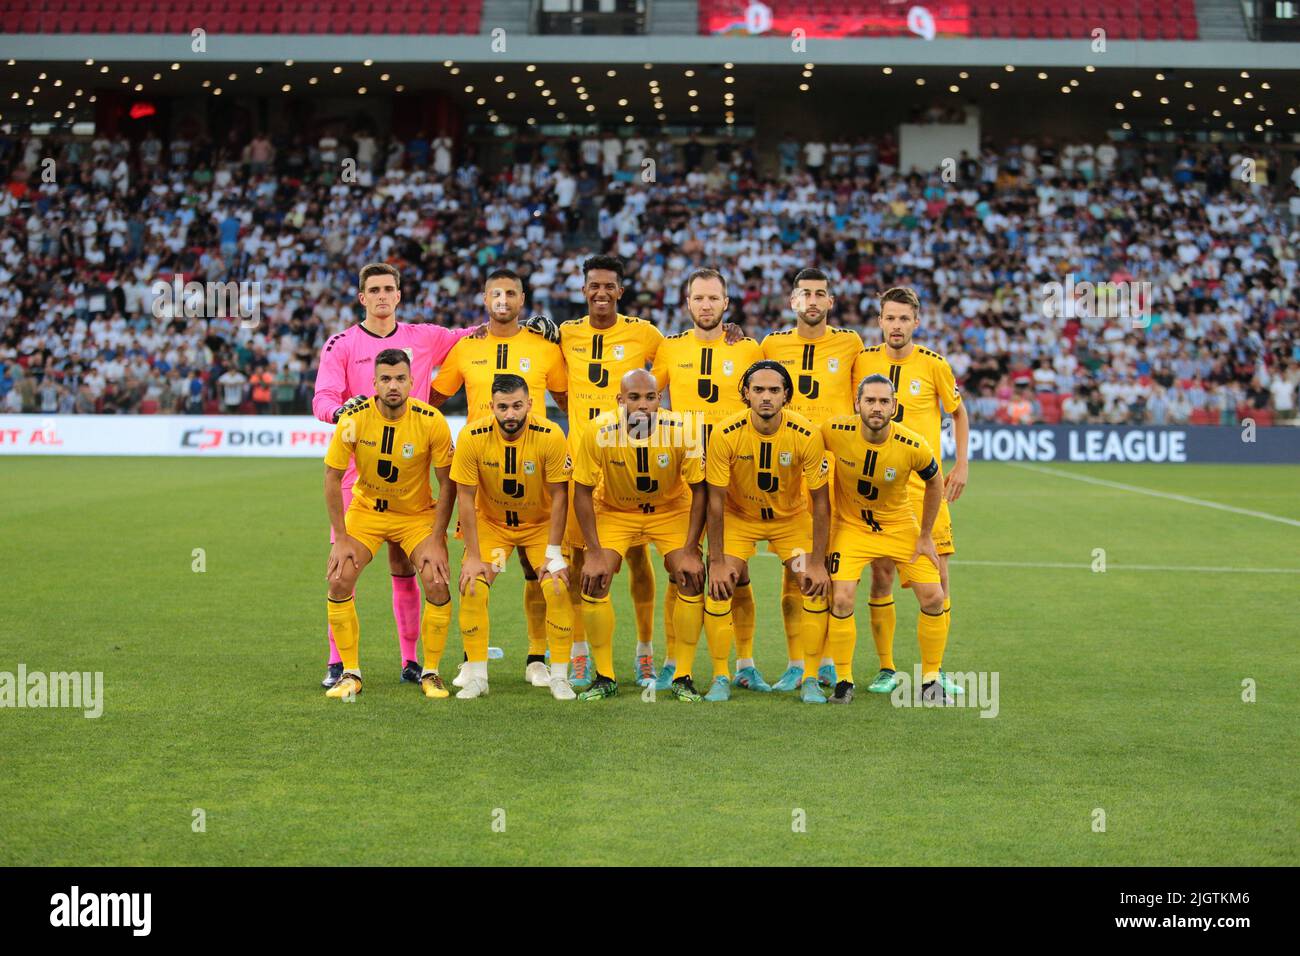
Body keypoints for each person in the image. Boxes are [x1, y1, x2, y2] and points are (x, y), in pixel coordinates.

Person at [312, 262, 481, 689]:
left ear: (399, 295)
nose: (383, 295)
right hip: (358, 475)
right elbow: (323, 397)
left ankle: (411, 661)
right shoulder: (341, 344)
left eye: (390, 288)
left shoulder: (424, 337)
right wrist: (340, 412)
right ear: (362, 297)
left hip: (411, 476)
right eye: (375, 289)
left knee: (405, 567)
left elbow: (470, 337)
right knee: (342, 565)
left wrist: (521, 327)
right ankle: (338, 663)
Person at [431, 268, 570, 684]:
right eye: (496, 293)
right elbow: (434, 396)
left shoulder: (545, 348)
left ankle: (536, 659)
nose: (504, 300)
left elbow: (567, 398)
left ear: (522, 299)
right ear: (484, 298)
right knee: (475, 574)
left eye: (511, 293)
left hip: (536, 481)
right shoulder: (465, 347)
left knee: (537, 572)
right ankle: (473, 664)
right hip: (482, 477)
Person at [650, 268, 763, 690]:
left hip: (734, 477)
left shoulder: (749, 348)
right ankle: (672, 660)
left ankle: (745, 662)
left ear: (726, 304)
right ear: (687, 302)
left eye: (714, 298)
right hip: (682, 478)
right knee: (681, 568)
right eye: (699, 298)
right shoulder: (669, 348)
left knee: (739, 573)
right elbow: (646, 398)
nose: (706, 305)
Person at [853, 286, 969, 697]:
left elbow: (958, 411)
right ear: (880, 320)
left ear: (915, 323)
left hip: (925, 488)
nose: (896, 325)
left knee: (938, 574)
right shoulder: (862, 360)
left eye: (904, 319)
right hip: (878, 490)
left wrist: (961, 464)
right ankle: (886, 668)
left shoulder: (935, 365)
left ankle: (934, 672)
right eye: (890, 318)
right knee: (881, 573)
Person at [322, 349, 455, 701]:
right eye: (386, 379)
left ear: (412, 382)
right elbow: (332, 477)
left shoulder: (432, 420)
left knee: (437, 581)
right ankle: (350, 673)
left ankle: (431, 672)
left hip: (415, 516)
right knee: (339, 577)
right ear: (374, 383)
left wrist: (439, 537)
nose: (393, 385)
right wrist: (342, 537)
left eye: (400, 378)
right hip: (367, 513)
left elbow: (448, 483)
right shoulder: (353, 420)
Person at [570, 370, 707, 701]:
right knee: (595, 577)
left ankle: (682, 676)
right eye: (634, 398)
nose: (643, 405)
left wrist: (690, 548)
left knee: (689, 575)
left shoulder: (683, 429)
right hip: (617, 512)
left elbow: (700, 491)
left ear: (660, 399)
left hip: (670, 511)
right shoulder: (599, 430)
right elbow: (582, 491)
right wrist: (593, 549)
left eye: (650, 397)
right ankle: (605, 676)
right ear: (621, 400)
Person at [760, 267, 865, 691]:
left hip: (834, 471)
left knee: (829, 566)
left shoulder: (851, 343)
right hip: (787, 468)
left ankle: (824, 662)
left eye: (820, 293)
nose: (812, 300)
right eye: (805, 293)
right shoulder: (771, 344)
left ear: (831, 302)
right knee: (793, 569)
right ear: (792, 301)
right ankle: (795, 662)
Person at [704, 361, 832, 704]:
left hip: (790, 520)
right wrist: (715, 560)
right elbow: (714, 502)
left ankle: (807, 675)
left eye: (774, 390)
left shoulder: (806, 433)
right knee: (720, 583)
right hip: (739, 516)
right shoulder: (725, 432)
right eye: (758, 390)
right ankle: (726, 672)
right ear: (745, 393)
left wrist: (818, 562)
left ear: (786, 395)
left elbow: (821, 503)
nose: (765, 397)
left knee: (812, 582)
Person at [821, 375, 950, 703]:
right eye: (870, 401)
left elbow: (935, 483)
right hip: (852, 528)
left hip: (899, 527)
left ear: (894, 406)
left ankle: (931, 680)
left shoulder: (913, 444)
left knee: (934, 598)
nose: (876, 407)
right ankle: (844, 681)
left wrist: (925, 536)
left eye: (883, 402)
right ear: (857, 403)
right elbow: (801, 445)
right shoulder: (835, 431)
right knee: (841, 600)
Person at [451, 374, 575, 700]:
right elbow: (465, 497)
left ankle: (559, 675)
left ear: (530, 405)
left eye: (517, 406)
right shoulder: (472, 436)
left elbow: (561, 495)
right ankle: (477, 675)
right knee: (474, 585)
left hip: (539, 528)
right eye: (503, 407)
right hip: (495, 529)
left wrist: (553, 551)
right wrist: (474, 556)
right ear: (491, 406)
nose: (510, 414)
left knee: (558, 585)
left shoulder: (549, 435)